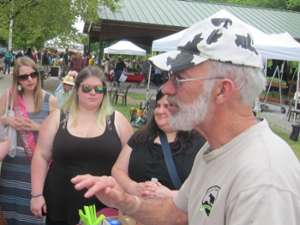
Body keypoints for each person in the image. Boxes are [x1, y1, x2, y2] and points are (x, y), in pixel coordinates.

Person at [71, 13, 300, 225]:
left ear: (221, 90)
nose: (167, 88)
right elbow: (177, 213)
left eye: (180, 78)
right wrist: (123, 201)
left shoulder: (264, 180)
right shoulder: (213, 149)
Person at [31, 66, 133, 225]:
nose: (93, 93)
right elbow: (41, 156)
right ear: (77, 90)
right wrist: (36, 195)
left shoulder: (118, 120)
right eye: (87, 88)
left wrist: (127, 198)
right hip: (60, 201)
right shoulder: (58, 117)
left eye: (99, 89)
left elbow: (131, 162)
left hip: (103, 204)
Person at [112, 90, 205, 199]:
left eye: (167, 106)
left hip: (175, 213)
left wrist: (170, 195)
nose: (160, 111)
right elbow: (118, 169)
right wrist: (133, 187)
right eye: (158, 105)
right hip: (135, 212)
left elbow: (207, 190)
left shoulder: (200, 143)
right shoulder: (140, 137)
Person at [0, 56, 57, 225]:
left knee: (35, 216)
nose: (29, 79)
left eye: (33, 74)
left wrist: (37, 127)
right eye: (24, 77)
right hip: (12, 169)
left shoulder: (50, 101)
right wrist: (6, 120)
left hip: (37, 171)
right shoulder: (9, 97)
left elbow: (60, 133)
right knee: (10, 213)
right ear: (17, 79)